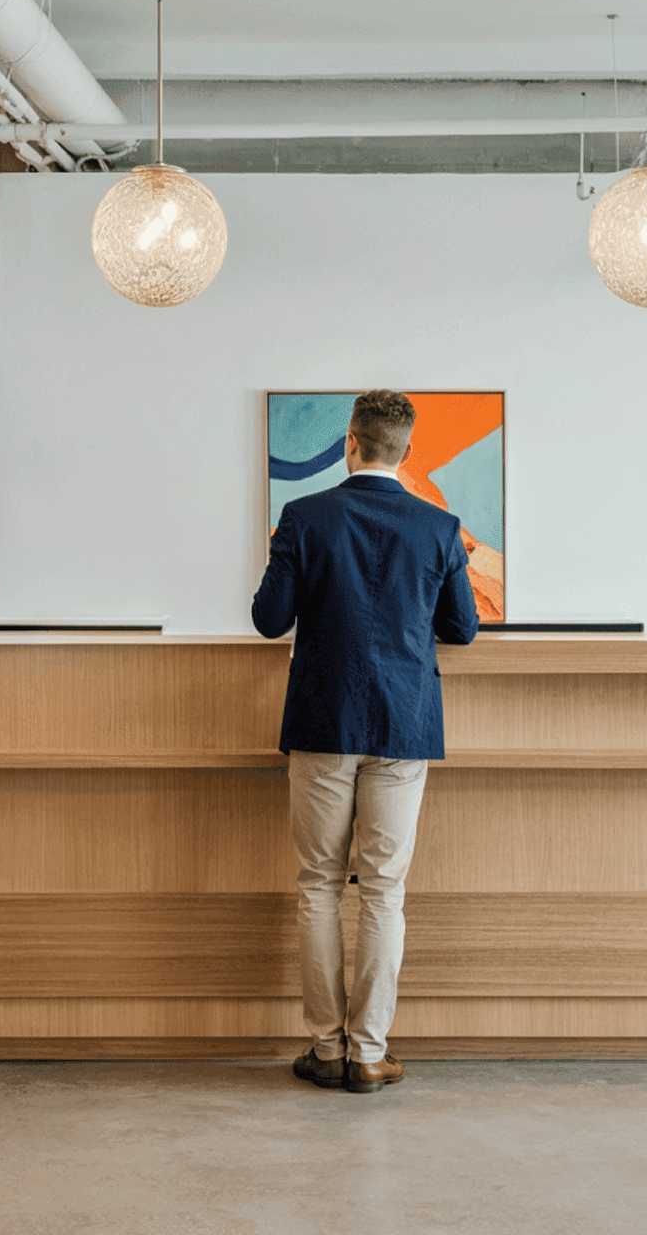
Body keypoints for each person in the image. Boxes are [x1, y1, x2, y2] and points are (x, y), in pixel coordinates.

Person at [251, 389, 480, 1095]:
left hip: (323, 724)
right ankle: (370, 1054)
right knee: (383, 891)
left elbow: (268, 619)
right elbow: (462, 629)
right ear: (405, 452)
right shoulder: (439, 528)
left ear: (350, 442)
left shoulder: (303, 517)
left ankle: (324, 1047)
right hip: (403, 727)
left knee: (319, 886)